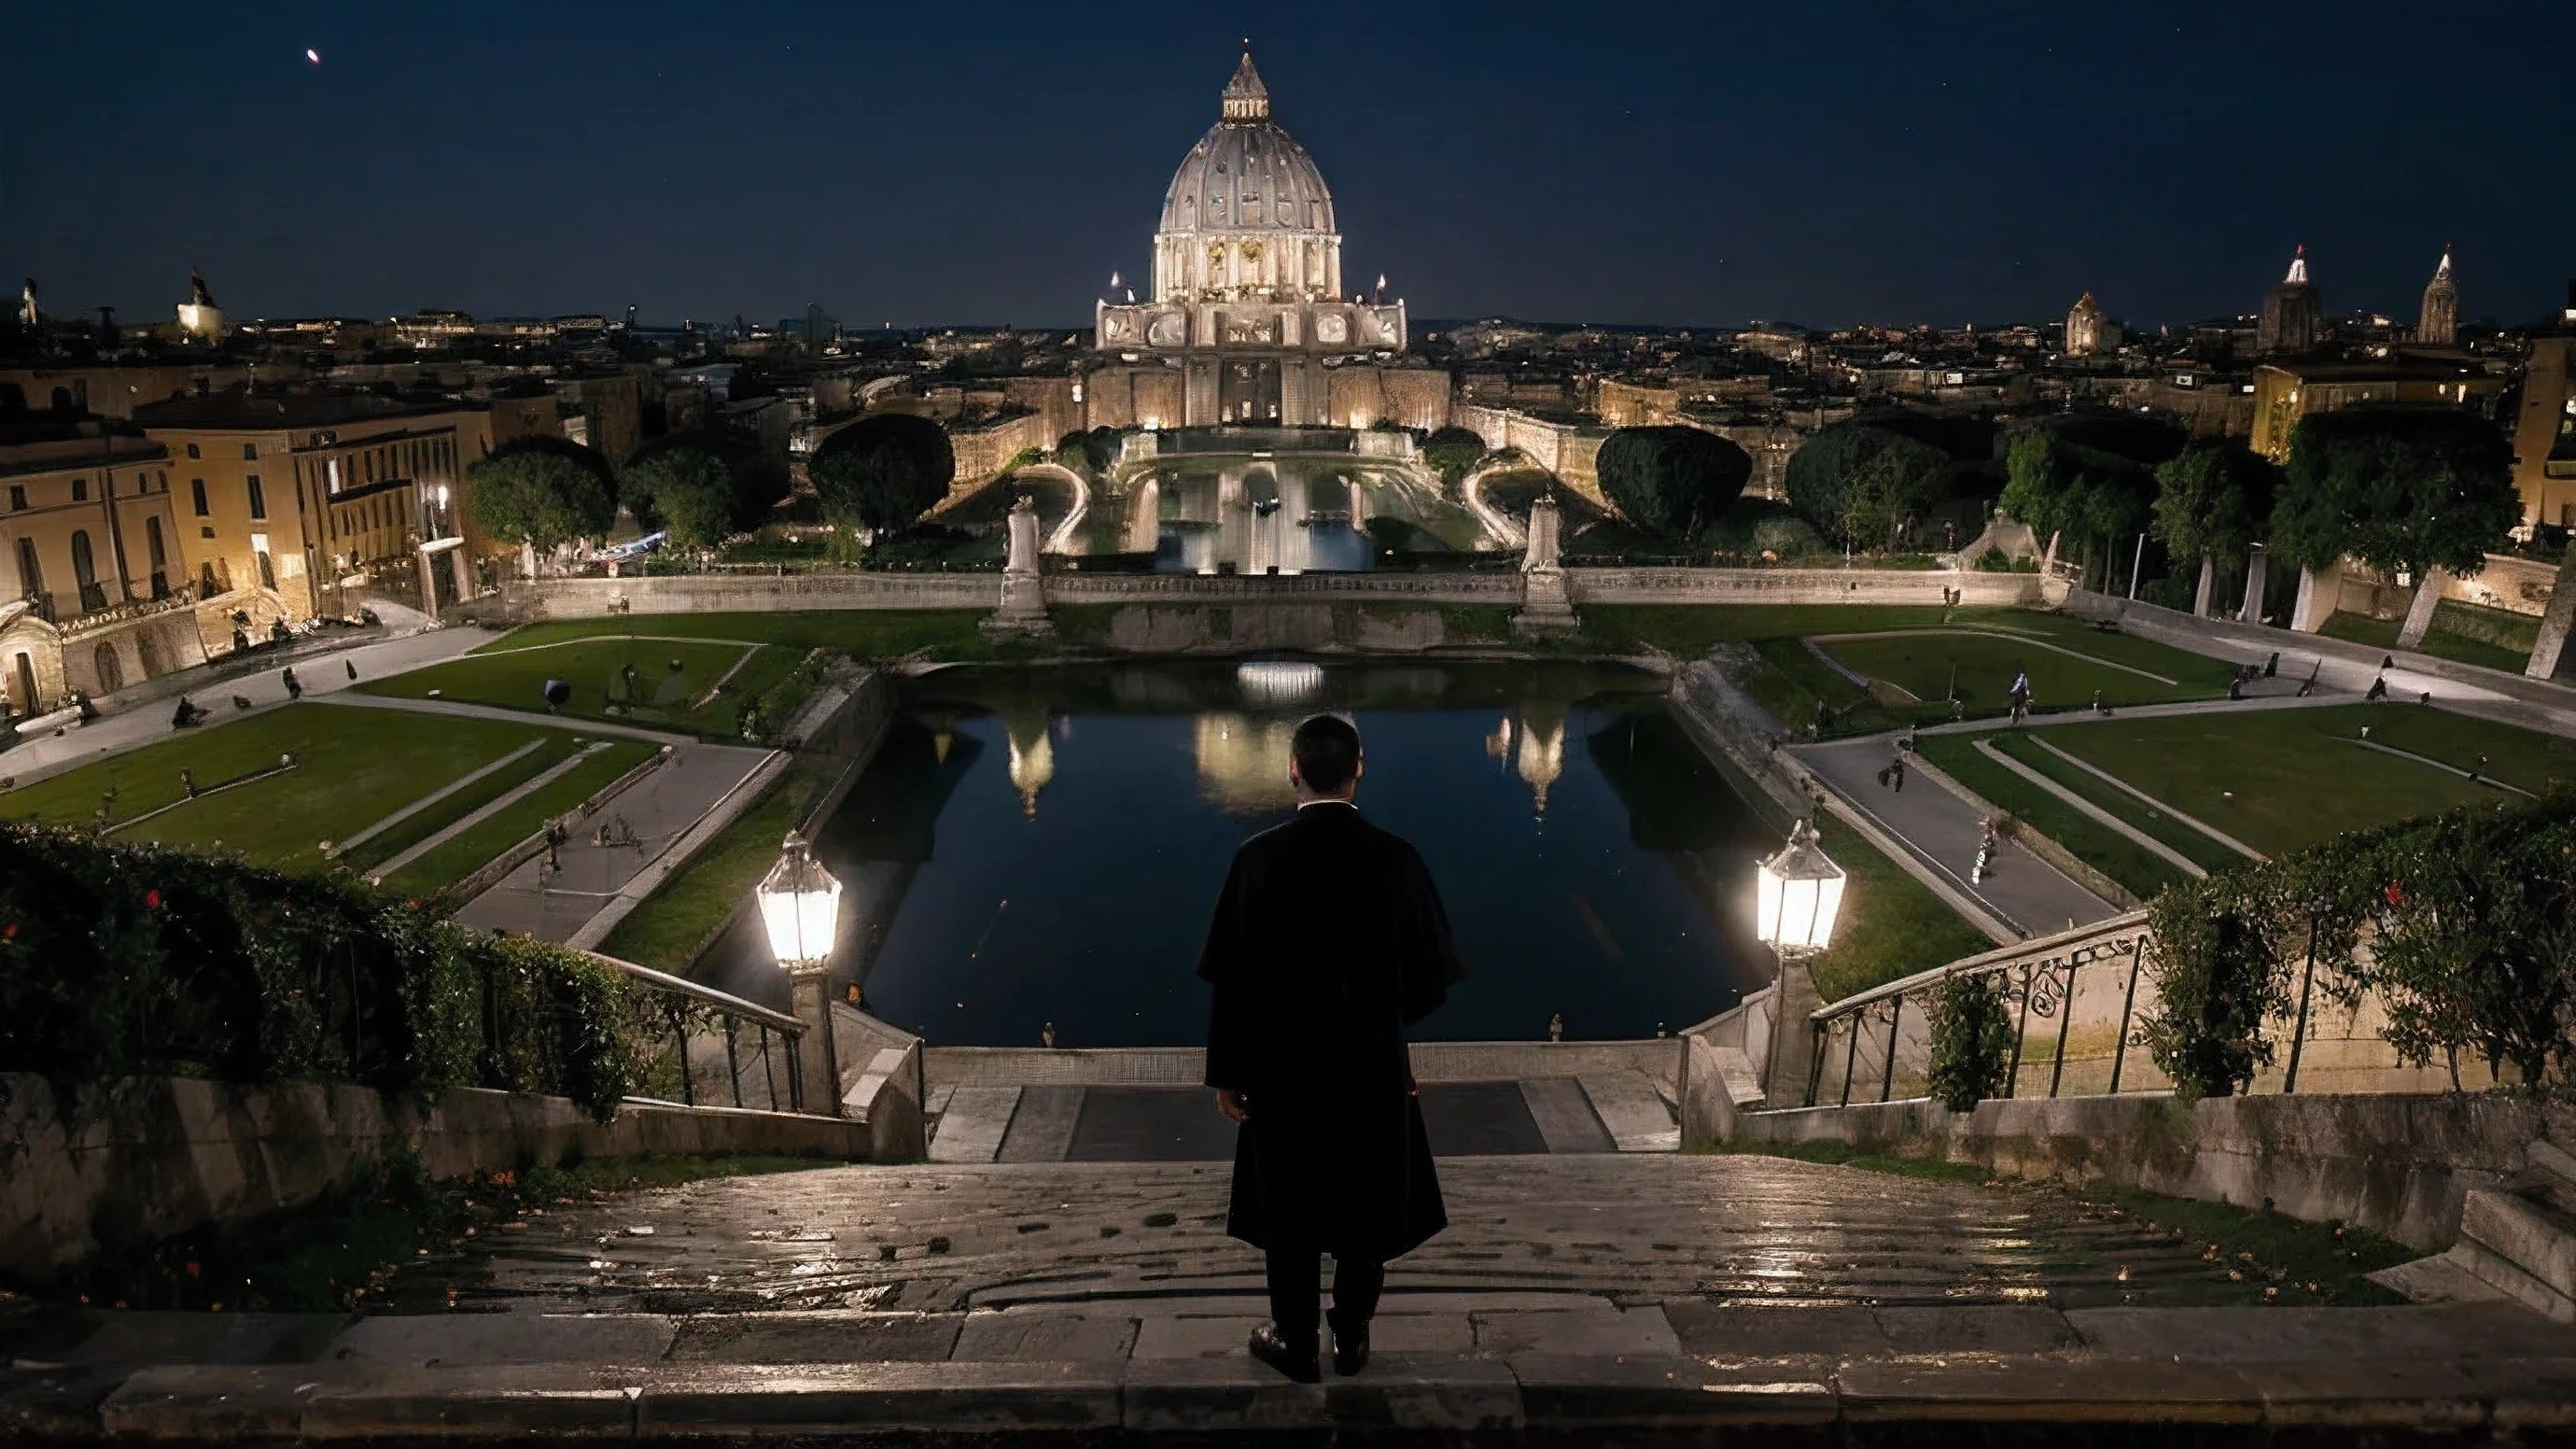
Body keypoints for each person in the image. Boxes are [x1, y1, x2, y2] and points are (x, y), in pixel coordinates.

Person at [1197, 713, 1463, 1383]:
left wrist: (1226, 1074)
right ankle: (1351, 1334)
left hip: (1280, 1067)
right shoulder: (1397, 858)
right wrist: (1385, 1028)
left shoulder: (1254, 859)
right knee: (1365, 1193)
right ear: (1358, 768)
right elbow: (1430, 982)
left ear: (1293, 769)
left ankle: (1292, 1339)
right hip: (1368, 1062)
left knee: (1286, 1202)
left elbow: (1230, 980)